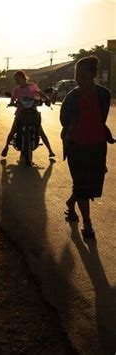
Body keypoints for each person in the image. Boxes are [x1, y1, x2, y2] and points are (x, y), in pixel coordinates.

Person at [60, 56, 113, 239]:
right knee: (82, 184)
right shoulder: (72, 97)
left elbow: (102, 117)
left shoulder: (104, 94)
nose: (78, 78)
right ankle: (87, 224)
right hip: (76, 146)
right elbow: (64, 120)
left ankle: (70, 202)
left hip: (98, 145)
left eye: (82, 74)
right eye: (76, 74)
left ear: (93, 75)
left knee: (91, 184)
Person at [1, 71, 55, 158]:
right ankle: (6, 147)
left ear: (23, 78)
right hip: (20, 112)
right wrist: (12, 103)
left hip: (33, 111)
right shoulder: (16, 90)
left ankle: (50, 150)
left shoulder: (32, 86)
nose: (16, 81)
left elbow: (40, 93)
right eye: (15, 79)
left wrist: (47, 99)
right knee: (13, 130)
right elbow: (12, 100)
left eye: (17, 79)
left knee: (40, 131)